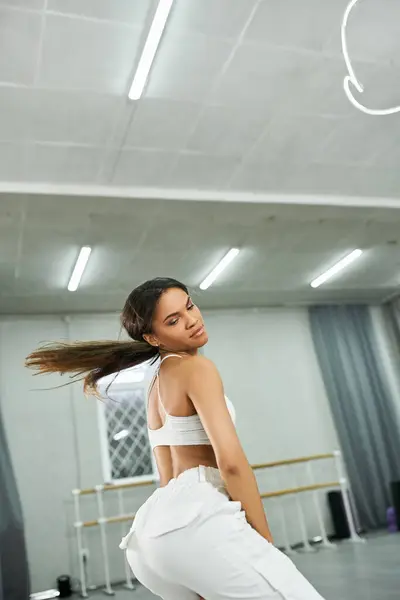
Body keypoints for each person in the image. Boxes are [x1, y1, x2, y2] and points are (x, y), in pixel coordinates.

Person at [26, 277, 325, 600]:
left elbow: (167, 479)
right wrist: (264, 543)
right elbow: (231, 463)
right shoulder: (196, 368)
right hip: (198, 522)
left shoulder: (155, 382)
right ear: (152, 337)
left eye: (189, 306)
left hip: (150, 540)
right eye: (174, 320)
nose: (192, 320)